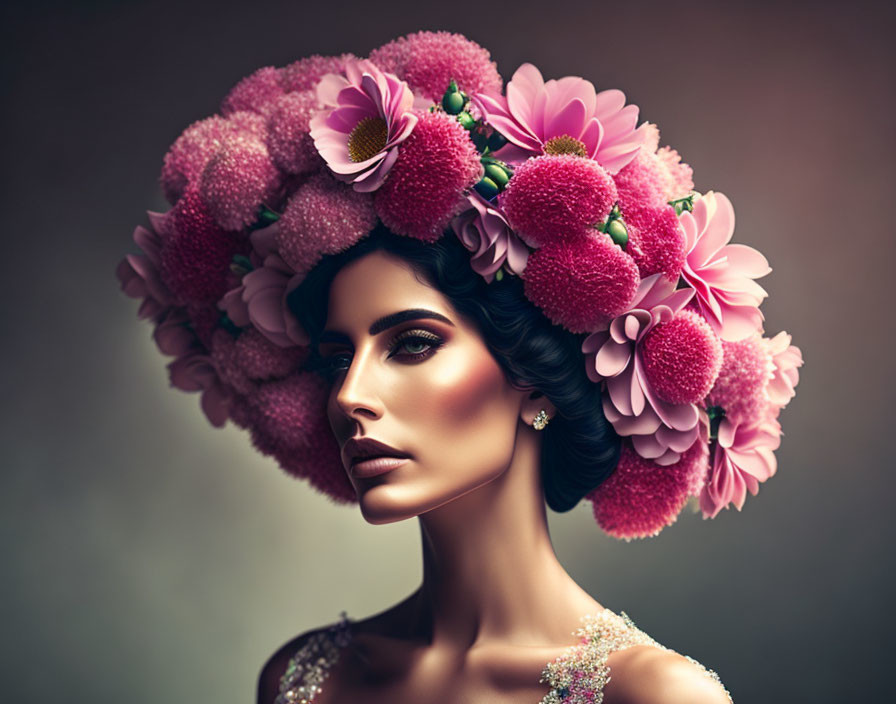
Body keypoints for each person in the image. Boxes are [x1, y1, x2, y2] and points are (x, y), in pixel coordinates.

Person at [117, 31, 803, 703]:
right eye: (336, 359)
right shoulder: (308, 682)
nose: (349, 396)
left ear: (534, 379)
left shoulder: (651, 696)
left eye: (412, 344)